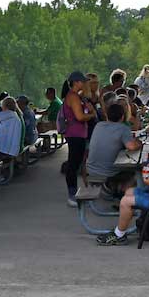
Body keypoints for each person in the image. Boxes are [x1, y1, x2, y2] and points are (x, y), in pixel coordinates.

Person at [61, 72, 96, 206]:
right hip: (75, 133)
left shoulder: (76, 96)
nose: (85, 83)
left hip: (78, 133)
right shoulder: (73, 97)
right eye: (83, 81)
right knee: (73, 164)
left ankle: (74, 192)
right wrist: (92, 114)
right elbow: (80, 117)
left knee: (76, 163)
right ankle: (72, 194)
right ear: (76, 82)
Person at [86, 100, 141, 180]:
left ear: (107, 115)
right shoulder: (123, 128)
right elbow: (132, 147)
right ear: (122, 117)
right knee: (137, 171)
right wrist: (140, 143)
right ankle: (130, 191)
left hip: (91, 170)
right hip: (110, 172)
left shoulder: (99, 125)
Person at [0, 96, 23, 161]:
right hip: (11, 150)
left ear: (5, 106)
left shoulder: (8, 113)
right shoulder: (14, 114)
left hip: (4, 151)